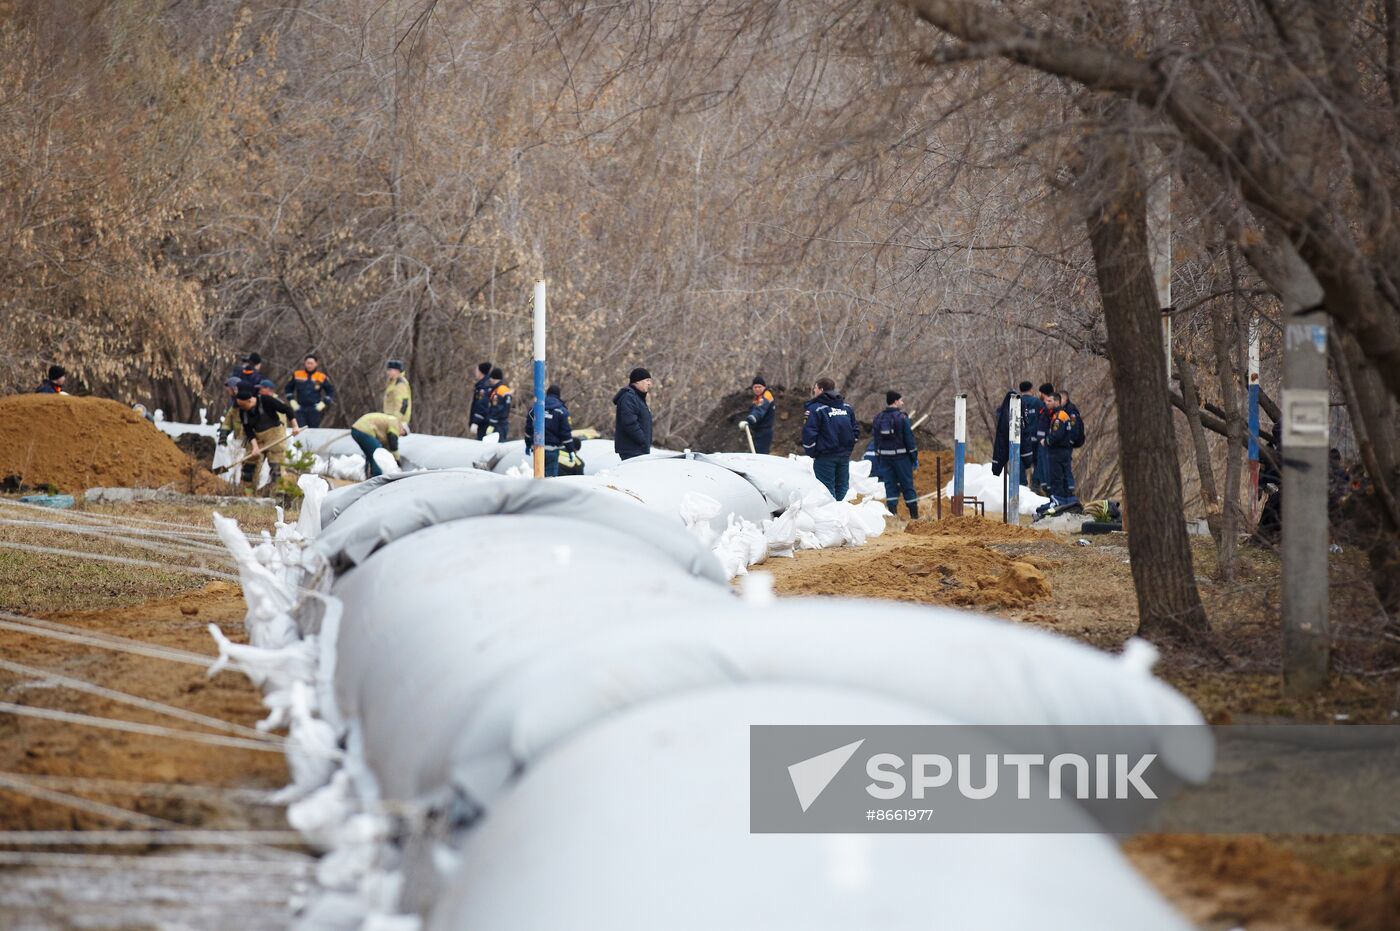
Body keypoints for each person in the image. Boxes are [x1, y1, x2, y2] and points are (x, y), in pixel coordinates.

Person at [801, 376, 858, 500]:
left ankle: (832, 516)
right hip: (843, 456)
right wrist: (849, 448)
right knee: (842, 487)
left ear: (821, 389)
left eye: (815, 388)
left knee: (825, 489)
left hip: (825, 457)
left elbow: (809, 433)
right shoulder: (846, 408)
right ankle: (841, 515)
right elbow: (855, 430)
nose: (814, 391)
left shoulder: (815, 409)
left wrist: (813, 452)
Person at [233, 386, 298, 488]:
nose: (241, 408)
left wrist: (295, 426)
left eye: (243, 405)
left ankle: (277, 492)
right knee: (249, 465)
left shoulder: (266, 400)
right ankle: (247, 491)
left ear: (250, 401)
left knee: (276, 466)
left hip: (274, 435)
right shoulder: (243, 411)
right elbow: (248, 430)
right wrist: (255, 447)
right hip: (257, 437)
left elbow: (287, 409)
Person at [872, 390, 919, 517]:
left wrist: (878, 456)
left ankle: (892, 515)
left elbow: (875, 439)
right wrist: (914, 457)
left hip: (885, 458)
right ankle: (914, 516)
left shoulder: (878, 418)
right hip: (902, 458)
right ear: (896, 401)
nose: (902, 402)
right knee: (907, 485)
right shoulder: (902, 418)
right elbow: (909, 439)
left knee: (890, 485)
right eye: (901, 400)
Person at [1036, 392, 1082, 517]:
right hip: (1063, 451)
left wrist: (1046, 441)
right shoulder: (1060, 414)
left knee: (1057, 478)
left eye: (1050, 401)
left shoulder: (1059, 416)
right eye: (1047, 401)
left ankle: (1059, 503)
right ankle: (1066, 503)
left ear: (1057, 402)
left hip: (1057, 452)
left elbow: (1056, 434)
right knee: (1063, 478)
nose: (1047, 403)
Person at [524, 384, 576, 477]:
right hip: (552, 450)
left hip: (537, 448)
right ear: (558, 395)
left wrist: (528, 444)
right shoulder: (561, 411)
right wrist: (571, 450)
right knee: (550, 480)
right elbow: (565, 433)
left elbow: (529, 428)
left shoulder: (536, 408)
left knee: (538, 477)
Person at [351, 412, 409, 479]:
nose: (400, 435)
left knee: (370, 455)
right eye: (403, 433)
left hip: (357, 430)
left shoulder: (390, 424)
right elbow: (393, 442)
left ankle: (368, 477)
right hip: (364, 429)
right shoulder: (395, 423)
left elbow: (387, 446)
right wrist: (397, 459)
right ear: (403, 428)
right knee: (377, 454)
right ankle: (377, 478)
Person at [285, 354, 336, 428]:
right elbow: (288, 388)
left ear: (316, 364)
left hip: (315, 408)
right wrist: (292, 401)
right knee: (300, 430)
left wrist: (324, 403)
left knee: (314, 431)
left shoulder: (321, 376)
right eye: (307, 363)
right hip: (300, 408)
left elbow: (330, 391)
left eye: (311, 363)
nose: (309, 365)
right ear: (305, 363)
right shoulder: (297, 374)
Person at [613, 367, 654, 460]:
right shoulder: (629, 397)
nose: (649, 383)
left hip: (638, 449)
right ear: (637, 381)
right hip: (632, 450)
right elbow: (629, 423)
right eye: (647, 380)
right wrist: (643, 440)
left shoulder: (637, 397)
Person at [742, 375, 776, 454]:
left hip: (764, 431)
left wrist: (751, 419)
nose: (757, 389)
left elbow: (760, 410)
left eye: (759, 387)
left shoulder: (766, 396)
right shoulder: (757, 398)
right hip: (758, 430)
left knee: (760, 454)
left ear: (764, 387)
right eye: (755, 387)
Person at [482, 368, 513, 439]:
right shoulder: (503, 389)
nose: (489, 380)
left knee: (496, 446)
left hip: (498, 424)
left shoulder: (499, 390)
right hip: (501, 423)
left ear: (493, 378)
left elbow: (497, 408)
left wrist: (492, 422)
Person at [384, 359, 412, 425]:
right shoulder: (392, 383)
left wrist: (396, 419)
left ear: (397, 371)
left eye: (390, 370)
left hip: (398, 421)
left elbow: (403, 404)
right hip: (391, 419)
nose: (387, 372)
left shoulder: (400, 384)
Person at [469, 362, 493, 438]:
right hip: (484, 421)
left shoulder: (484, 386)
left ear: (480, 372)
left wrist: (476, 422)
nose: (475, 372)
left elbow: (482, 404)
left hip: (483, 422)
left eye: (477, 370)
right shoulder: (483, 384)